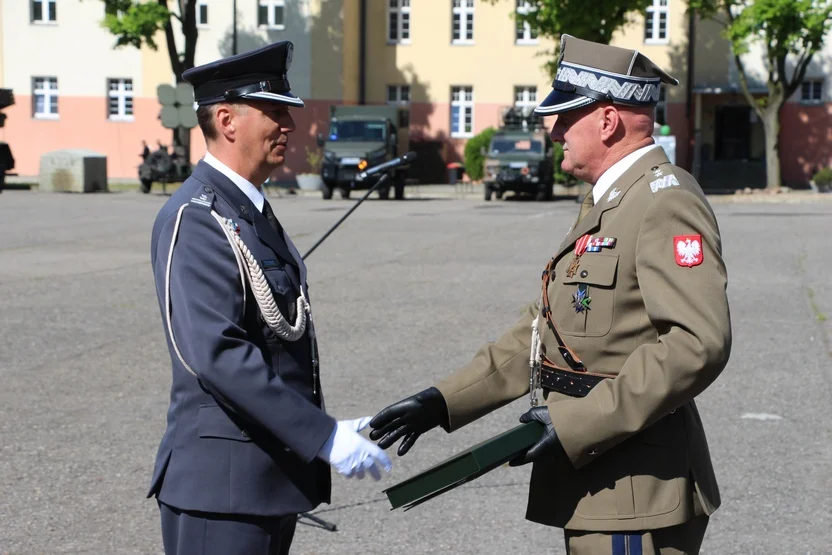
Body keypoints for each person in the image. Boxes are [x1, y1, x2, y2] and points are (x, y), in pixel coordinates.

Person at [370, 34, 731, 555]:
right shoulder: (608, 201)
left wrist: (577, 423)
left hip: (632, 491)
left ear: (607, 121)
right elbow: (544, 334)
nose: (552, 128)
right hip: (596, 483)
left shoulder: (663, 202)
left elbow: (698, 344)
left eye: (566, 116)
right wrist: (443, 402)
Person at [147, 40, 391, 555]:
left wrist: (321, 429)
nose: (290, 125)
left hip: (262, 483)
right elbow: (218, 353)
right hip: (222, 492)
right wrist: (322, 436)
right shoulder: (197, 218)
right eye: (274, 111)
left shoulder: (247, 210)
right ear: (227, 120)